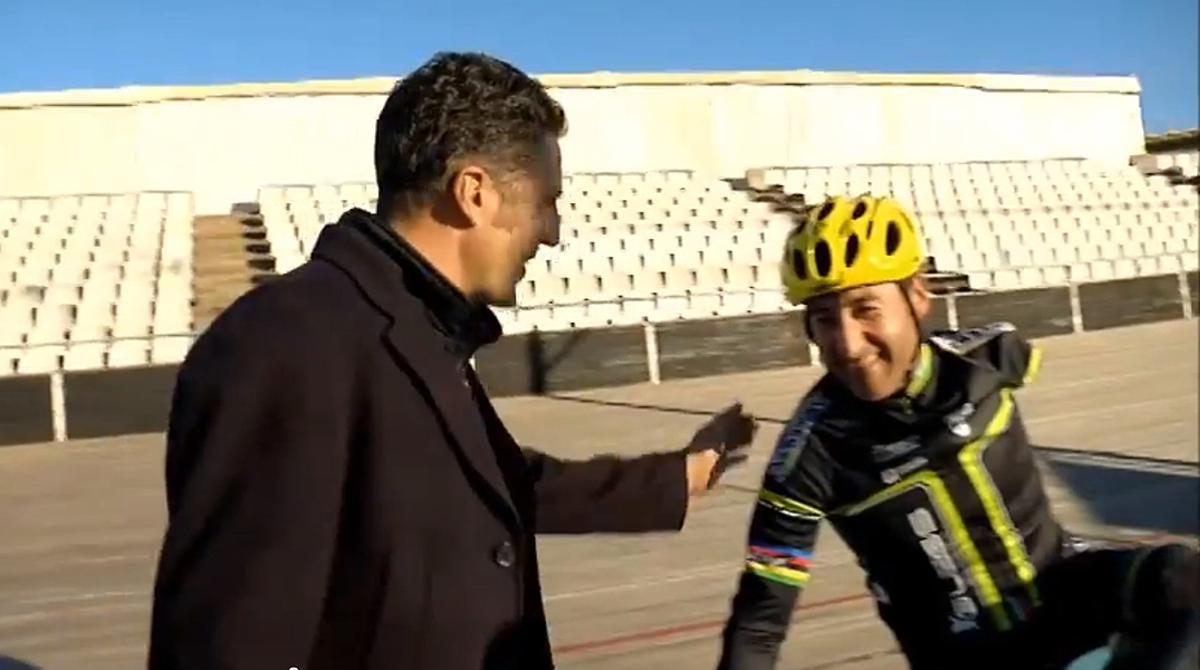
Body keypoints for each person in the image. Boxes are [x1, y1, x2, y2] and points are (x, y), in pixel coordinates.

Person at [147, 51, 757, 670]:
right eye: (545, 201)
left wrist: (674, 478)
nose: (552, 231)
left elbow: (495, 484)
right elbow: (226, 642)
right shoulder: (285, 341)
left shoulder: (417, 327)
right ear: (473, 193)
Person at [715, 194, 1199, 669]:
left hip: (1065, 594)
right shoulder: (806, 457)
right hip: (964, 655)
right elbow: (760, 623)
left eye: (866, 309)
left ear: (918, 296)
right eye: (824, 319)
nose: (848, 344)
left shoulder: (994, 355)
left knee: (1180, 575)